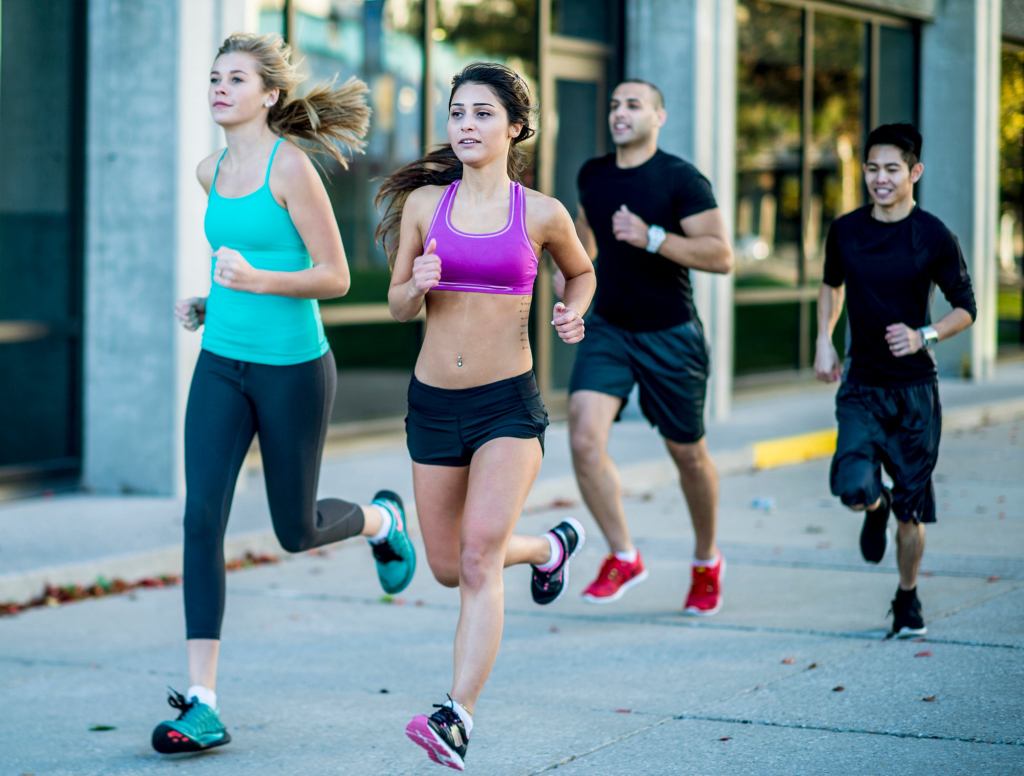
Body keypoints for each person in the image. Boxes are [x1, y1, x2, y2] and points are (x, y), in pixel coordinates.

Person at [151, 33, 416, 754]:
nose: (218, 87)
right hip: (220, 365)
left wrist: (256, 284)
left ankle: (381, 521)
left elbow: (333, 275)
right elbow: (234, 264)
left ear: (268, 96)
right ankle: (201, 701)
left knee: (293, 531)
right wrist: (212, 304)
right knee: (200, 518)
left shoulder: (290, 168)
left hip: (293, 369)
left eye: (235, 78)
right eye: (214, 76)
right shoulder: (209, 170)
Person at [375, 62, 596, 771]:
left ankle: (457, 715)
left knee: (476, 557)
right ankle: (549, 548)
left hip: (507, 405)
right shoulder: (423, 207)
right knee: (447, 565)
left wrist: (572, 311)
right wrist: (417, 282)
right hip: (433, 404)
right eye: (457, 113)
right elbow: (396, 306)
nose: (466, 125)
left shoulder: (541, 213)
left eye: (482, 114)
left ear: (515, 128)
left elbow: (582, 270)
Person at [560, 79, 733, 615]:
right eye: (614, 104)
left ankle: (706, 561)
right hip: (609, 326)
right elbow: (586, 241)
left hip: (669, 332)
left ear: (658, 116)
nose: (620, 112)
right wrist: (564, 276)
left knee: (688, 454)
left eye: (633, 105)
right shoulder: (593, 174)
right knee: (584, 436)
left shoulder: (681, 179)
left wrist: (652, 237)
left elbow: (721, 255)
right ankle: (623, 554)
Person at [815, 123, 976, 638]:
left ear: (915, 172)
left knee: (913, 513)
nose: (880, 179)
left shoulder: (931, 236)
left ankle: (907, 597)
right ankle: (873, 504)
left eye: (891, 170)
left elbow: (966, 309)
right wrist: (824, 337)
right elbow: (831, 286)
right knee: (851, 484)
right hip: (862, 384)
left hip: (914, 393)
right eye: (872, 169)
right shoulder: (845, 230)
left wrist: (924, 334)